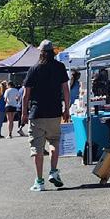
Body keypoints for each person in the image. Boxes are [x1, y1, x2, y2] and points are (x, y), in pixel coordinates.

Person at [21, 40, 70, 191]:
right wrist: (66, 109)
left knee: (37, 148)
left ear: (41, 52)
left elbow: (26, 95)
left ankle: (39, 181)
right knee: (54, 141)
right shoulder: (60, 67)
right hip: (55, 112)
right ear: (52, 52)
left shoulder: (34, 69)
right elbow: (65, 89)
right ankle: (53, 171)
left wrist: (24, 113)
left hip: (37, 113)